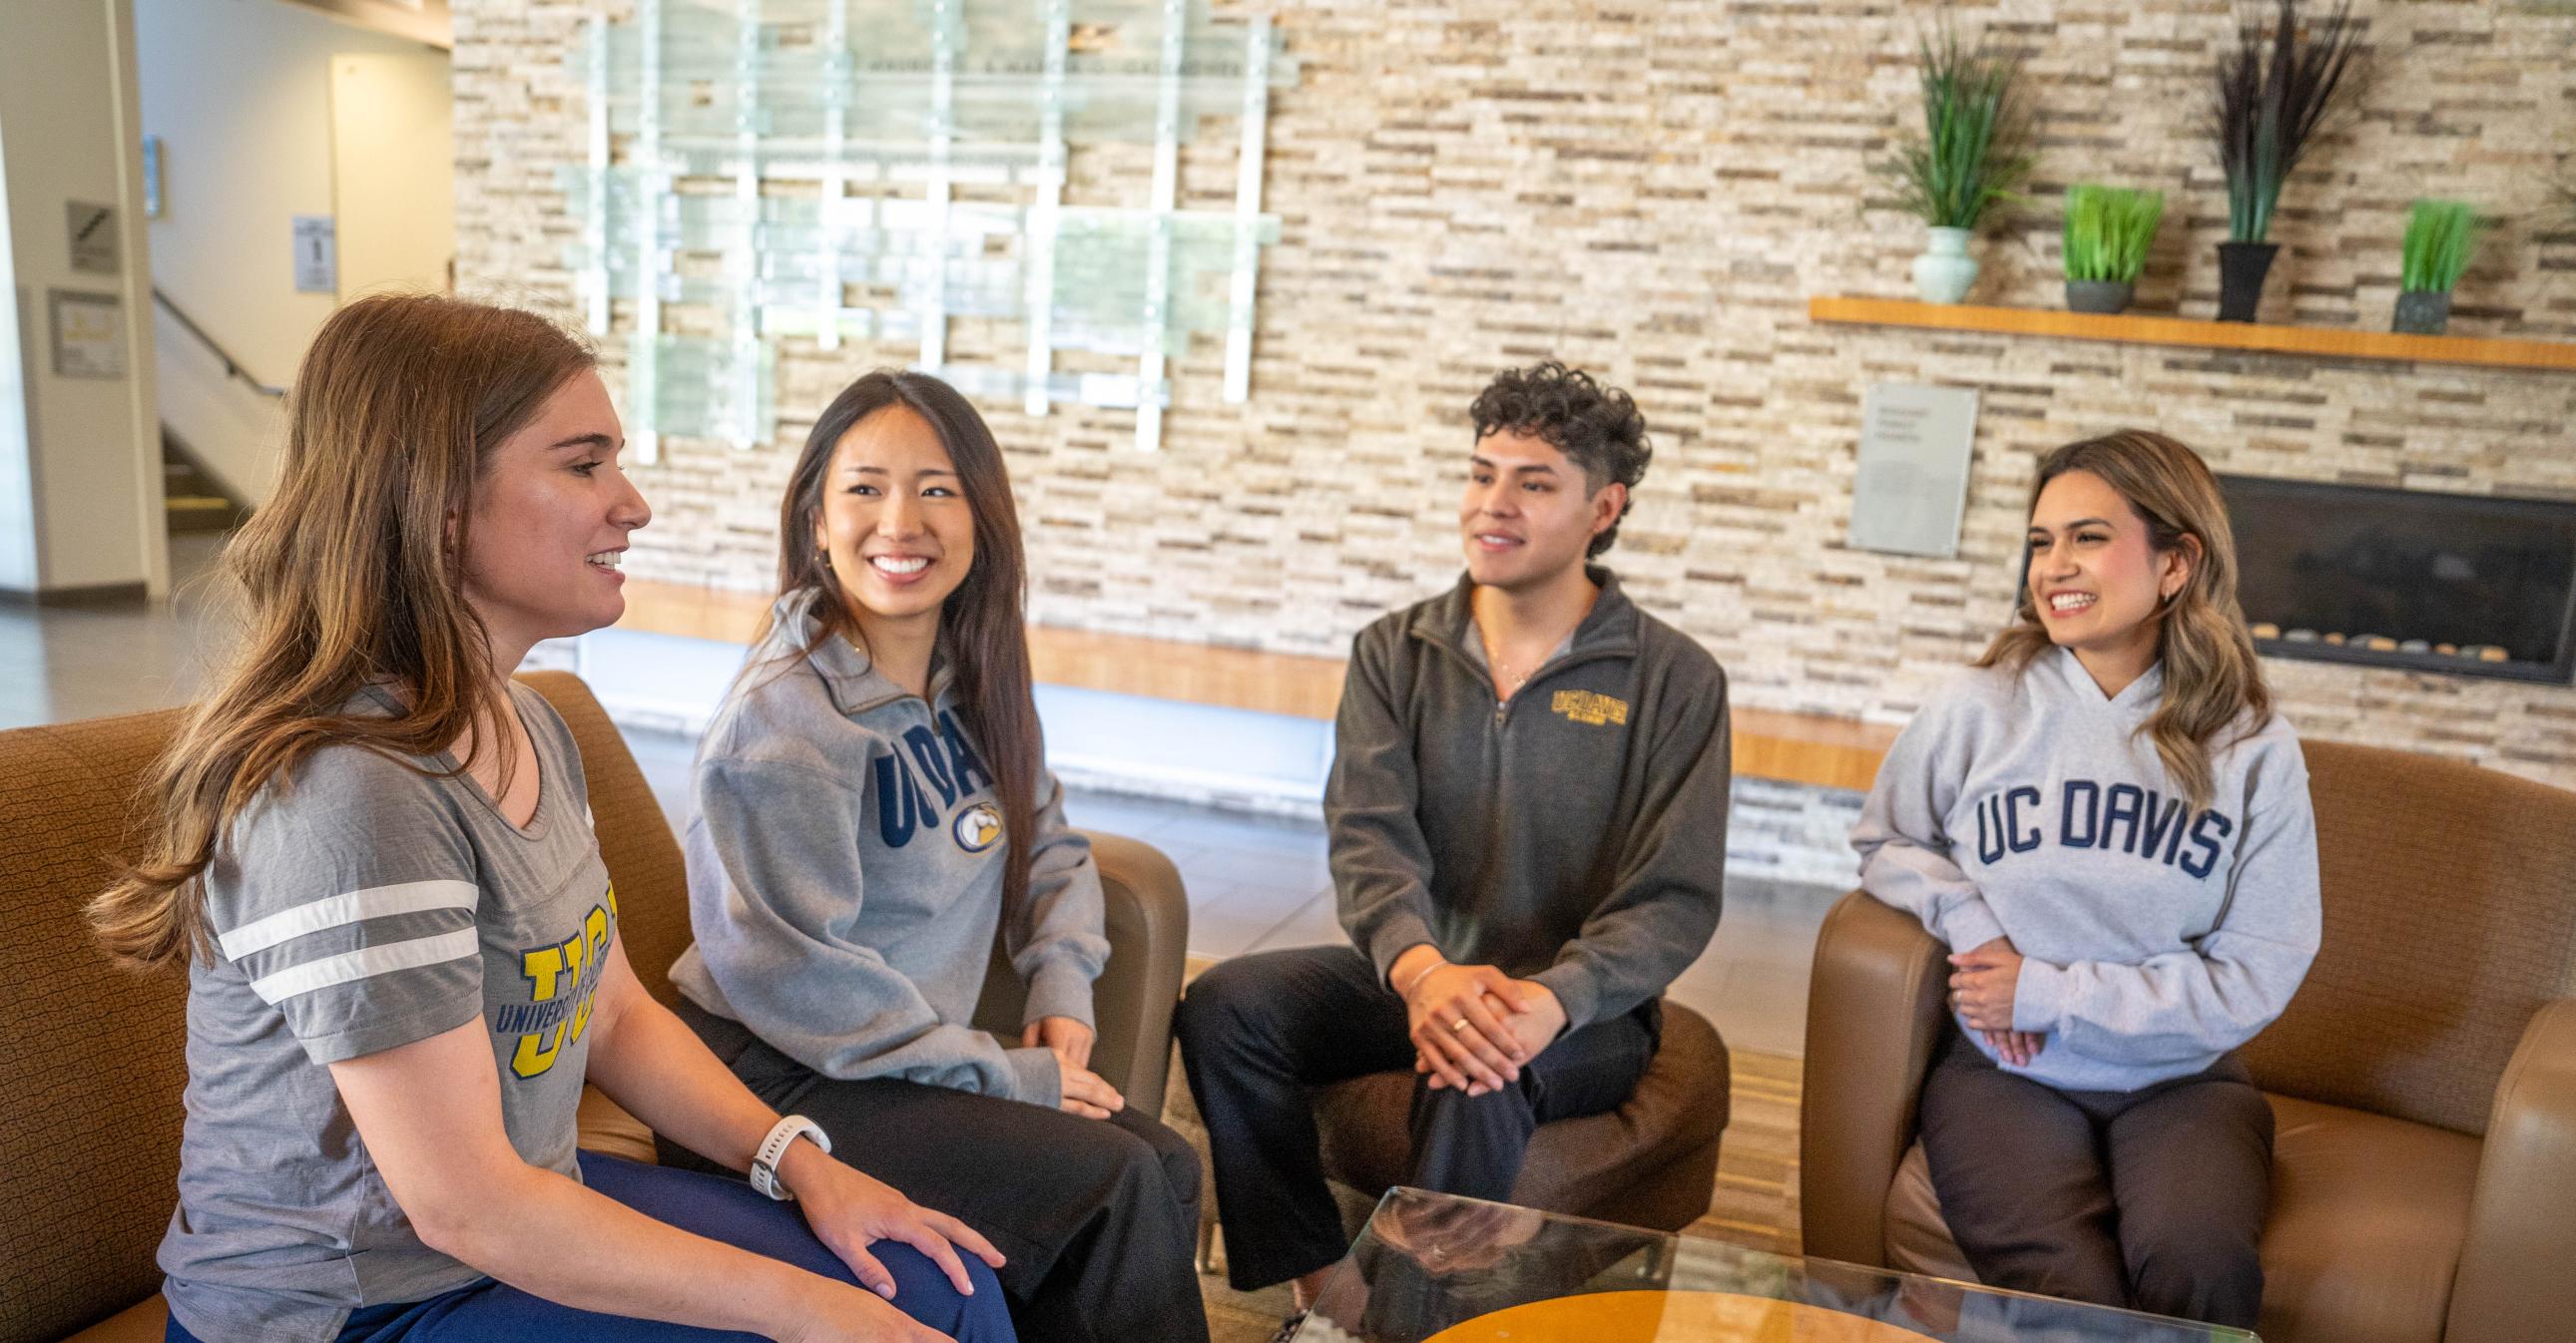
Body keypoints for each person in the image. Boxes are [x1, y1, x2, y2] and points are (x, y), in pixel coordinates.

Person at [92, 295, 1011, 1343]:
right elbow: (466, 1202)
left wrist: (804, 1164)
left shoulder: (528, 720)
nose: (633, 504)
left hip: (510, 1234)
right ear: (437, 500)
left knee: (943, 1287)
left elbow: (613, 1013)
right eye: (583, 464)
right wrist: (811, 1311)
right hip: (359, 1310)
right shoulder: (351, 791)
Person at [1174, 361, 1732, 1338]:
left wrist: (1552, 998)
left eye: (1533, 481)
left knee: (1479, 1068)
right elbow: (1368, 837)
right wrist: (1423, 972)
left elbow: (1673, 897)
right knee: (1227, 1006)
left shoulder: (1675, 680)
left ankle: (1410, 1323)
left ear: (1605, 505)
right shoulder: (1395, 650)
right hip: (1421, 973)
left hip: (1577, 1007)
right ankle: (1325, 1295)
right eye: (1482, 473)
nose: (1493, 504)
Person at [662, 369, 1205, 1343]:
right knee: (1116, 1181)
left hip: (894, 1061)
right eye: (864, 488)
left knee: (1166, 1160)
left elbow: (1051, 847)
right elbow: (803, 988)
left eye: (937, 488)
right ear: (815, 522)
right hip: (775, 1081)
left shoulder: (973, 672)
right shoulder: (783, 725)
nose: (899, 520)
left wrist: (1060, 988)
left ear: (983, 517)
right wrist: (1003, 1073)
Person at [1851, 429, 2320, 1329]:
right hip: (2003, 1074)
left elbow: (2260, 966)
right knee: (2065, 1287)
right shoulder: (1977, 706)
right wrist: (1973, 924)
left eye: (2088, 537)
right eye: (2040, 540)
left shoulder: (2254, 747)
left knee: (2197, 1268)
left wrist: (2050, 992)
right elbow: (1887, 840)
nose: (2053, 565)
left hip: (2182, 1078)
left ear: (2176, 562)